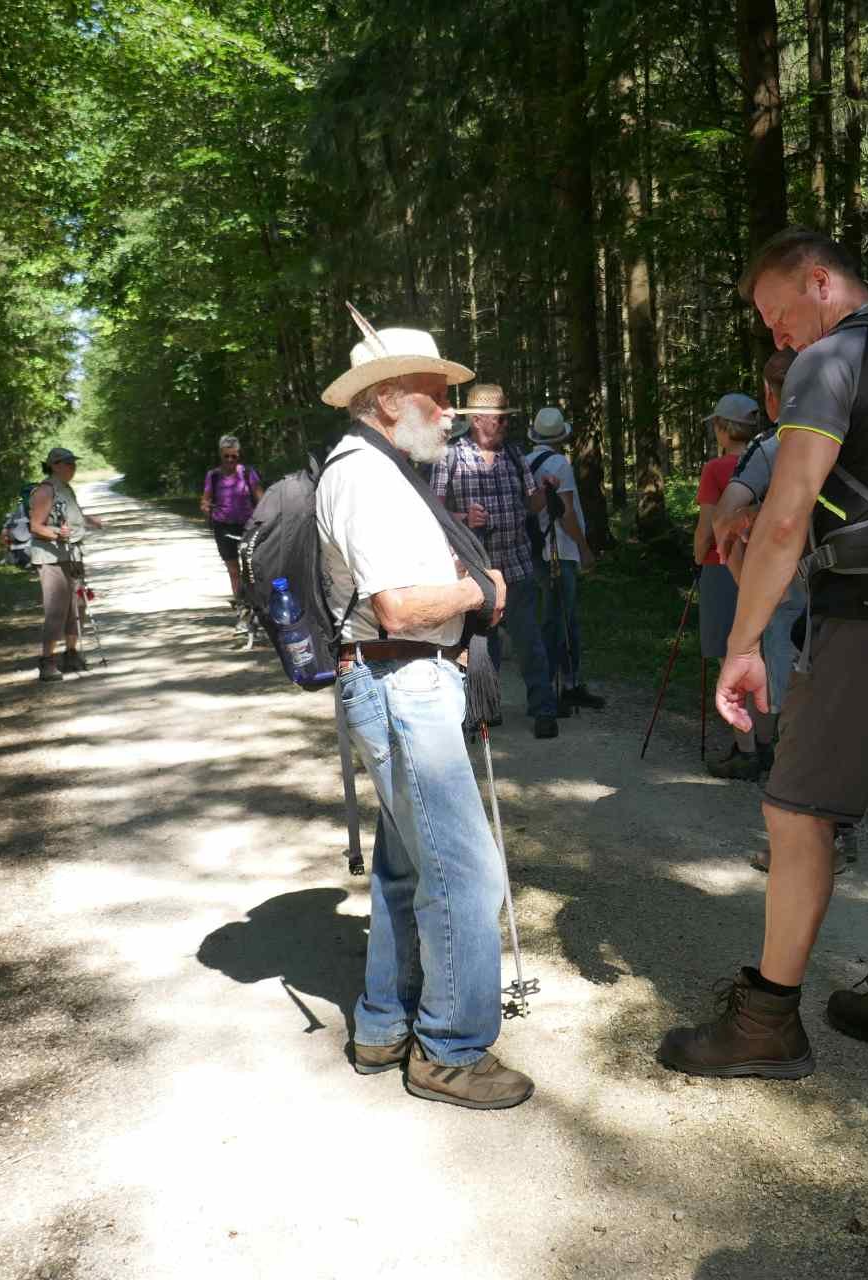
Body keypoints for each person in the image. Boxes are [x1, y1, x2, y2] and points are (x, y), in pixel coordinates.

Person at [657, 227, 868, 1081]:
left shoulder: (830, 361)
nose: (776, 334)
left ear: (821, 282)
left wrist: (742, 642)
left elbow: (791, 514)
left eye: (777, 310)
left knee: (797, 813)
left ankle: (766, 1021)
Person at [314, 320, 532, 1110]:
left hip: (399, 682)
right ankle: (449, 1052)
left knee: (408, 867)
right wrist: (485, 590)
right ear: (387, 400)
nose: (450, 412)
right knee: (466, 875)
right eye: (438, 398)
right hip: (402, 683)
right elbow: (400, 606)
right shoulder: (367, 477)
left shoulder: (379, 467)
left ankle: (382, 1024)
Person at [713, 350, 856, 874]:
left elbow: (726, 521)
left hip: (789, 604)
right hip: (857, 600)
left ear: (772, 398)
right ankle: (837, 830)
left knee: (793, 718)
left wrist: (751, 588)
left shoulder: (771, 448)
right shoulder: (854, 436)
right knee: (838, 715)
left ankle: (801, 844)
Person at [433, 384, 560, 738]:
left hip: (517, 565)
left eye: (507, 419)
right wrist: (462, 517)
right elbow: (433, 511)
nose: (505, 425)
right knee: (480, 647)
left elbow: (531, 506)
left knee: (529, 642)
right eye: (499, 419)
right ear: (476, 420)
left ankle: (543, 710)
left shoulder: (516, 455)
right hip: (476, 572)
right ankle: (484, 710)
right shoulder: (450, 457)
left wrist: (545, 491)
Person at [694, 393, 762, 778]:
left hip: (721, 568)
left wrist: (696, 553)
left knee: (729, 653)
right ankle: (764, 744)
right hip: (767, 570)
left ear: (723, 427)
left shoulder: (717, 469)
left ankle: (745, 748)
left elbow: (707, 527)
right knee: (763, 654)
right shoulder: (770, 462)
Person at [524, 406, 606, 715]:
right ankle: (561, 687)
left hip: (535, 550)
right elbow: (567, 513)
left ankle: (553, 686)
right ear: (561, 437)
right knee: (562, 620)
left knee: (551, 617)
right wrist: (584, 548)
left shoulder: (525, 461)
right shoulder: (559, 464)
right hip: (560, 550)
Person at [28, 447, 107, 682]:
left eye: (74, 463)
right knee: (56, 608)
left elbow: (72, 517)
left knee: (78, 603)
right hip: (50, 558)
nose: (73, 467)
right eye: (68, 463)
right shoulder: (45, 490)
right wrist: (57, 534)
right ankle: (47, 662)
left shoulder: (66, 488)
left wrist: (88, 521)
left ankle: (71, 654)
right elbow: (36, 526)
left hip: (72, 554)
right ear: (54, 465)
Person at [199, 435, 266, 603]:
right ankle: (241, 607)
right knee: (234, 570)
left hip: (248, 526)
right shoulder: (213, 476)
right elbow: (205, 500)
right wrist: (206, 508)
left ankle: (257, 604)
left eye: (234, 456)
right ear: (220, 454)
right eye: (226, 456)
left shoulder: (247, 473)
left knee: (251, 568)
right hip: (223, 527)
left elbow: (262, 499)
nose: (230, 460)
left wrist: (266, 519)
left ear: (239, 455)